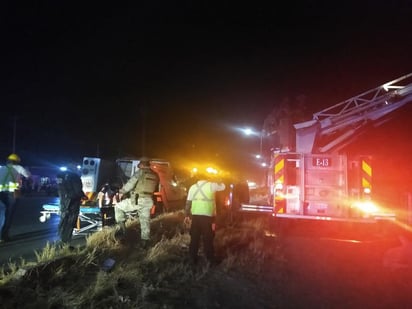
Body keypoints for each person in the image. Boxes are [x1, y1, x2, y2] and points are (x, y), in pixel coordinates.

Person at [114, 157, 159, 248]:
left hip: (138, 200)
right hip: (148, 201)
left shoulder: (140, 172)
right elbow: (156, 188)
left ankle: (123, 230)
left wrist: (121, 192)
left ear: (142, 164)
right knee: (145, 221)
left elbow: (130, 184)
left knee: (118, 207)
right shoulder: (155, 175)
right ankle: (145, 242)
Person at [184, 173, 225, 265]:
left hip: (195, 217)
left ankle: (192, 259)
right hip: (207, 217)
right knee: (208, 238)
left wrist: (186, 215)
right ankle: (210, 260)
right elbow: (223, 186)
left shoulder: (192, 187)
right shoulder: (211, 185)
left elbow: (188, 202)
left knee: (194, 238)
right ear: (207, 177)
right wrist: (217, 178)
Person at [0, 153, 31, 242]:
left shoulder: (2, 168)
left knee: (1, 214)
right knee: (8, 215)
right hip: (11, 194)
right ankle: (3, 236)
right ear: (17, 161)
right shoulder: (19, 168)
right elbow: (28, 175)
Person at [56, 166, 87, 246]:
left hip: (63, 202)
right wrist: (83, 196)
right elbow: (77, 190)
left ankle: (61, 237)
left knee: (63, 220)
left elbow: (60, 189)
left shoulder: (61, 176)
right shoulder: (75, 177)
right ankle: (65, 242)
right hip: (73, 202)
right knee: (70, 222)